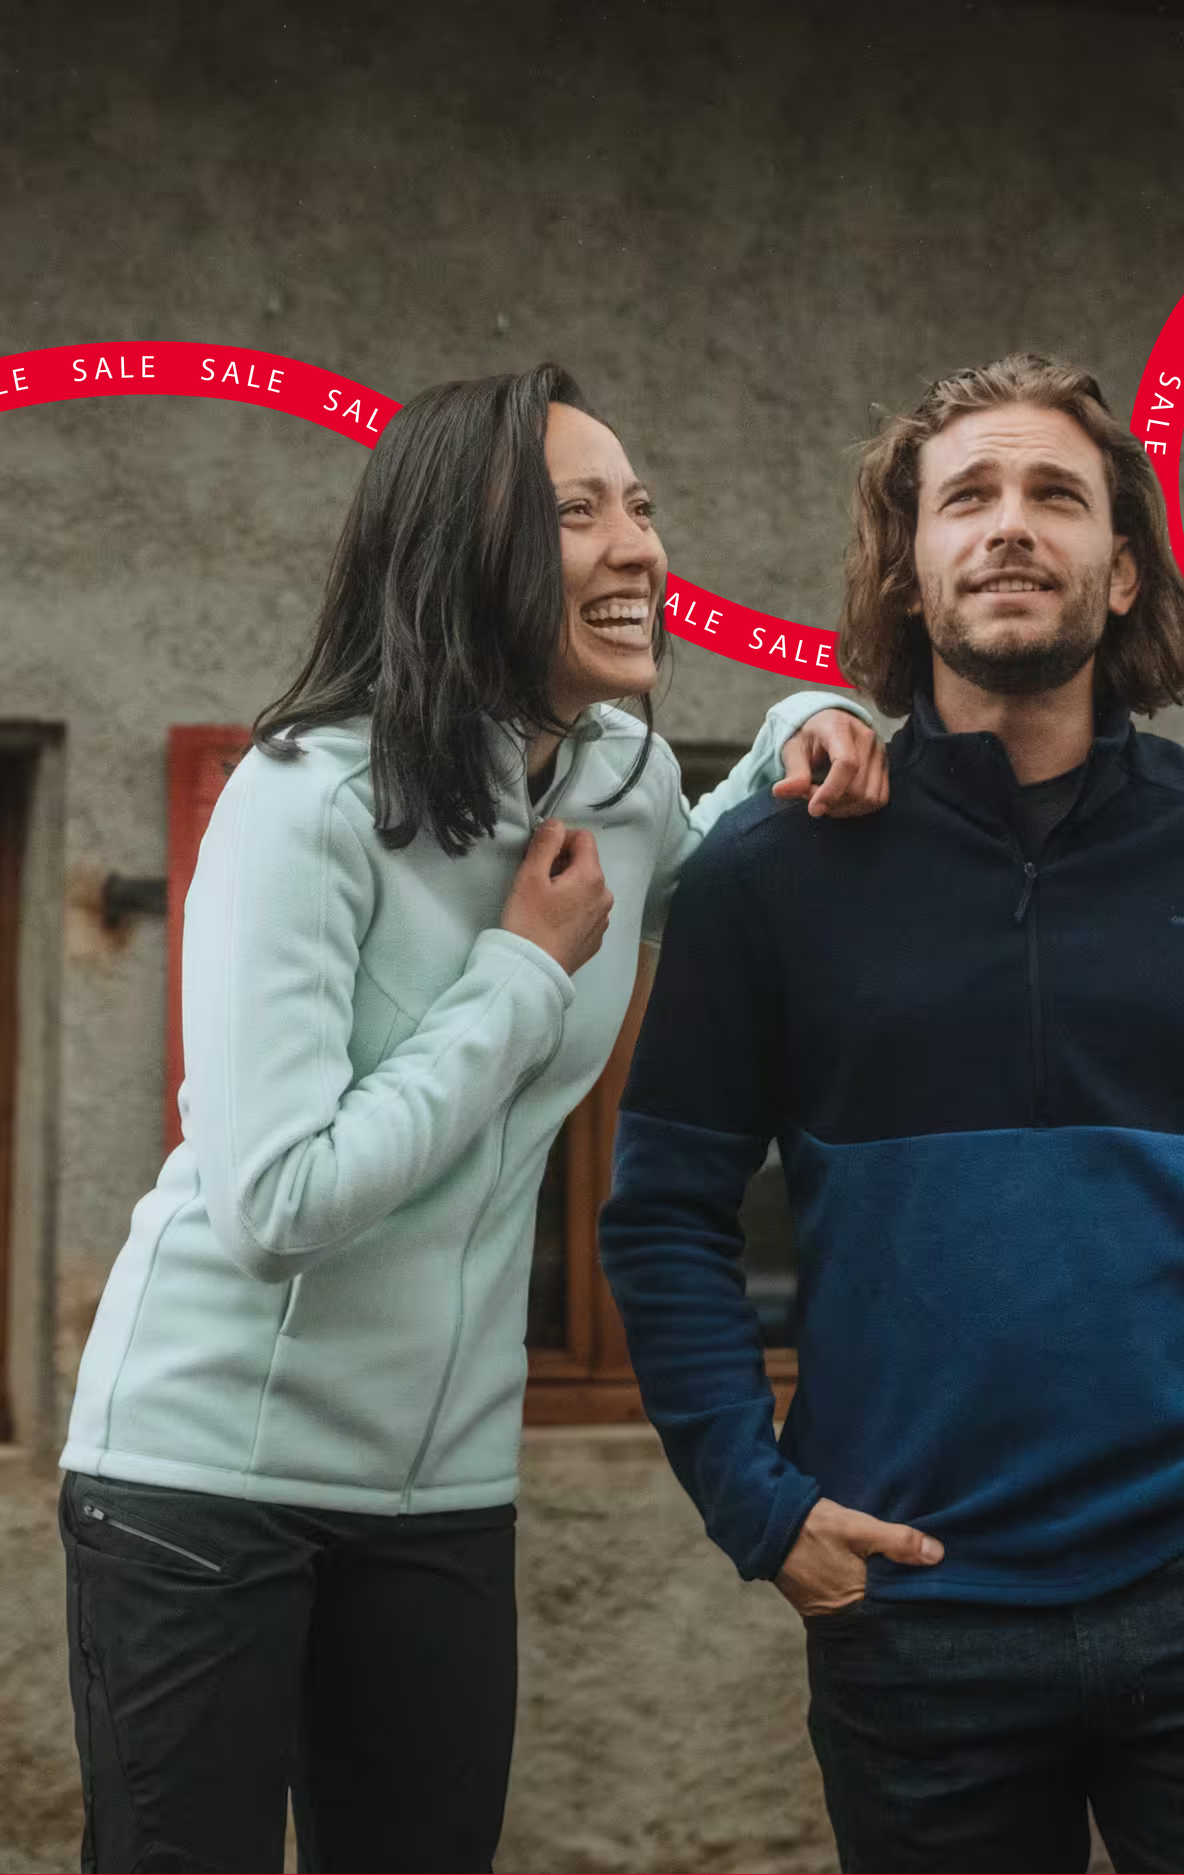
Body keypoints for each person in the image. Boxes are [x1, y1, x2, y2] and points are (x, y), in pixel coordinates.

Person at [599, 353, 1184, 1874]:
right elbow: (664, 1215)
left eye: (1057, 494)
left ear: (1121, 572)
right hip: (911, 1612)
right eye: (969, 498)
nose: (1010, 524)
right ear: (908, 566)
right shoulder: (772, 878)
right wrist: (763, 1509)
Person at [57, 363, 887, 1875]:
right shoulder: (306, 799)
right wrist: (515, 973)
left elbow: (709, 872)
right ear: (464, 545)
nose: (639, 546)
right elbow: (276, 1200)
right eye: (580, 513)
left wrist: (806, 716)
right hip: (203, 1478)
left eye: (642, 507)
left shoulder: (621, 778)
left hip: (442, 1483)